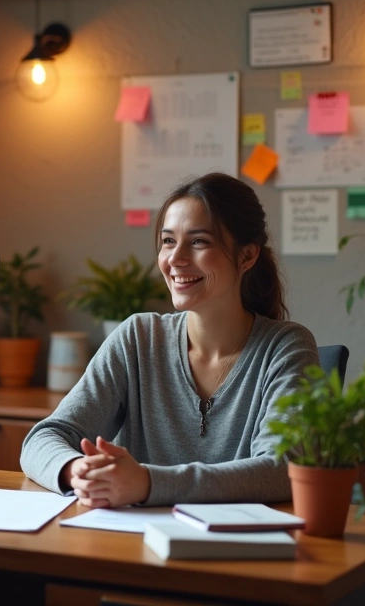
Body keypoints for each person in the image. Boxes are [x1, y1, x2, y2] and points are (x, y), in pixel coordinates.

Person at [20, 173, 318, 508]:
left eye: (199, 242)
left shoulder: (287, 347)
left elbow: (282, 469)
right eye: (167, 241)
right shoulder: (138, 338)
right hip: (130, 546)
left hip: (234, 553)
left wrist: (147, 483)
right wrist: (79, 471)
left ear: (247, 255)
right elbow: (43, 439)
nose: (175, 259)